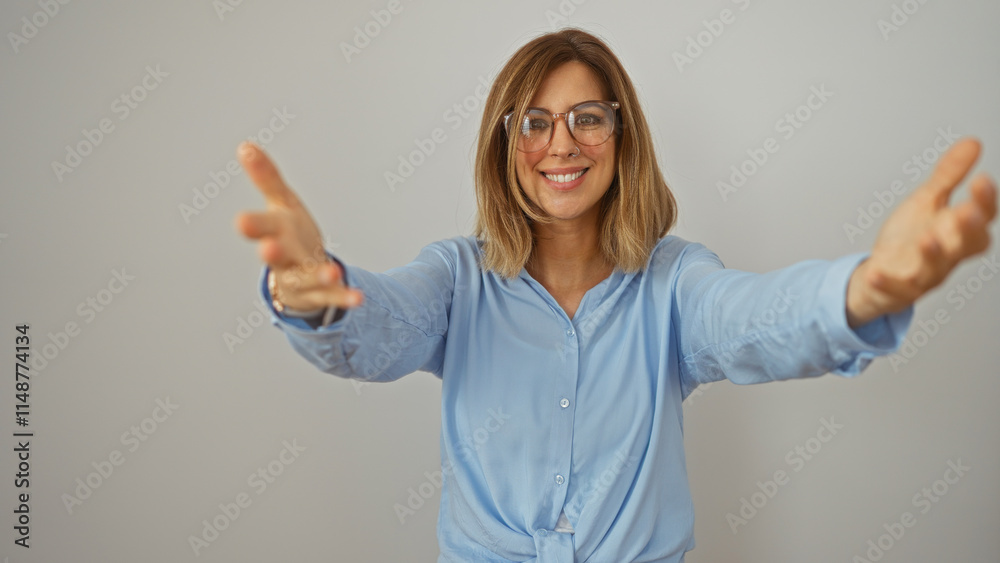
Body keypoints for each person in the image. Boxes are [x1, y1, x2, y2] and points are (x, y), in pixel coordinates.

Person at [233, 28, 996, 563]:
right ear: (504, 146)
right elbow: (381, 325)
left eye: (586, 119)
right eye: (534, 122)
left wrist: (859, 290)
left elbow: (751, 320)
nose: (561, 144)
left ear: (621, 137)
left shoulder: (673, 281)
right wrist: (314, 294)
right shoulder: (458, 279)